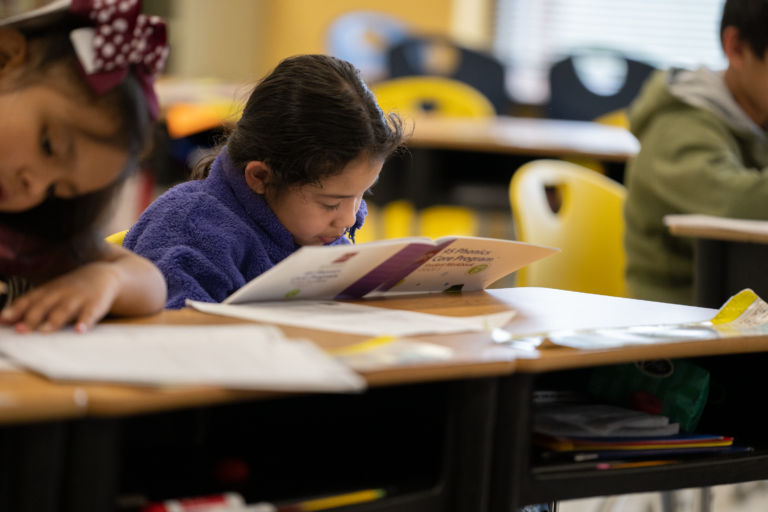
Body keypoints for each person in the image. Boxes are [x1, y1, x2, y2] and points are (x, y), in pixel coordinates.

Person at [124, 55, 408, 309]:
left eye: (362, 194)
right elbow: (177, 336)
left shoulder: (313, 233)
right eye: (331, 203)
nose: (348, 218)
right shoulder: (192, 230)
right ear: (260, 177)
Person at [0, 0, 168, 332]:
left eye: (56, 190)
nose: (34, 187)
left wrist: (107, 279)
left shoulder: (21, 233)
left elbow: (151, 284)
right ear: (5, 59)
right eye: (49, 146)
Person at [624, 0, 768, 306]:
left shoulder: (759, 112)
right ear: (737, 48)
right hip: (678, 318)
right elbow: (738, 204)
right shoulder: (678, 125)